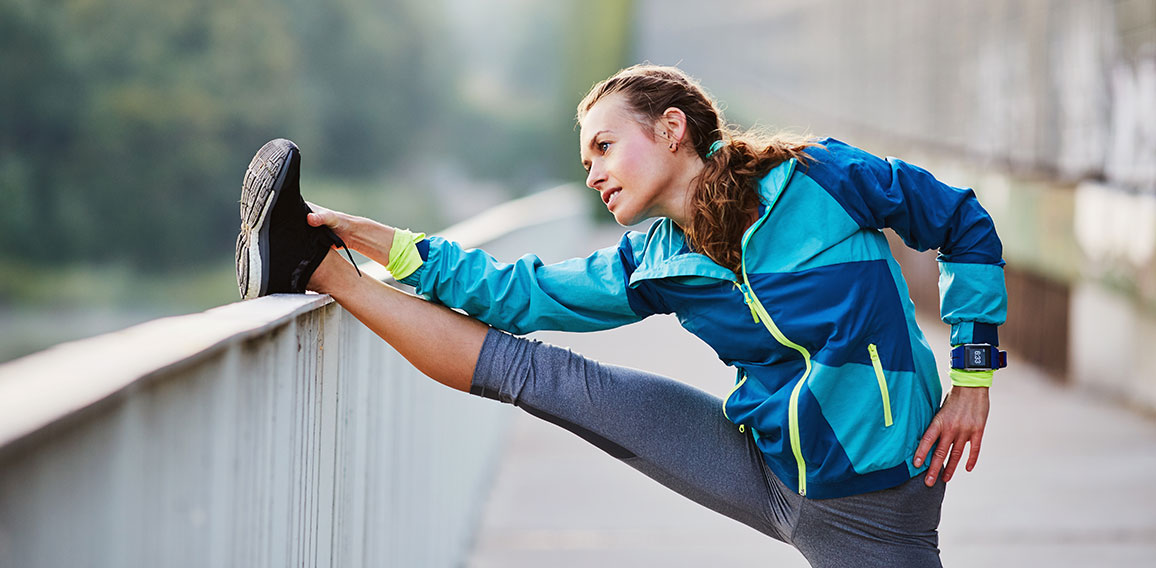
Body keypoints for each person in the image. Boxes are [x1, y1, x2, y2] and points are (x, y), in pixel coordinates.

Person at [234, 64, 1007, 567]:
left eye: (605, 147)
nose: (595, 171)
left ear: (672, 129)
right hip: (758, 462)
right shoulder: (657, 260)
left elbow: (963, 222)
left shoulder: (823, 179)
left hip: (873, 505)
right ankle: (320, 265)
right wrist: (356, 230)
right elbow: (516, 292)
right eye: (585, 160)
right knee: (538, 373)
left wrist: (972, 374)